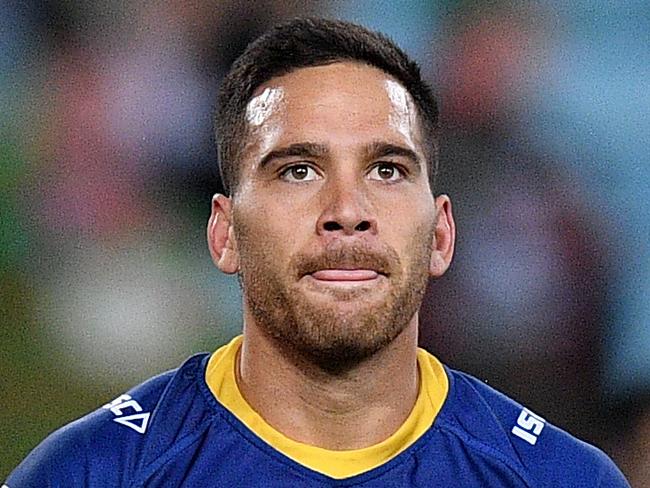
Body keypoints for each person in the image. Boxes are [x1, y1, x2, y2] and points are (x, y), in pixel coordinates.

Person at [6, 17, 629, 487]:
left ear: (441, 234)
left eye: (386, 170)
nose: (347, 210)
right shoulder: (92, 473)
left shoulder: (560, 477)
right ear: (225, 235)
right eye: (298, 171)